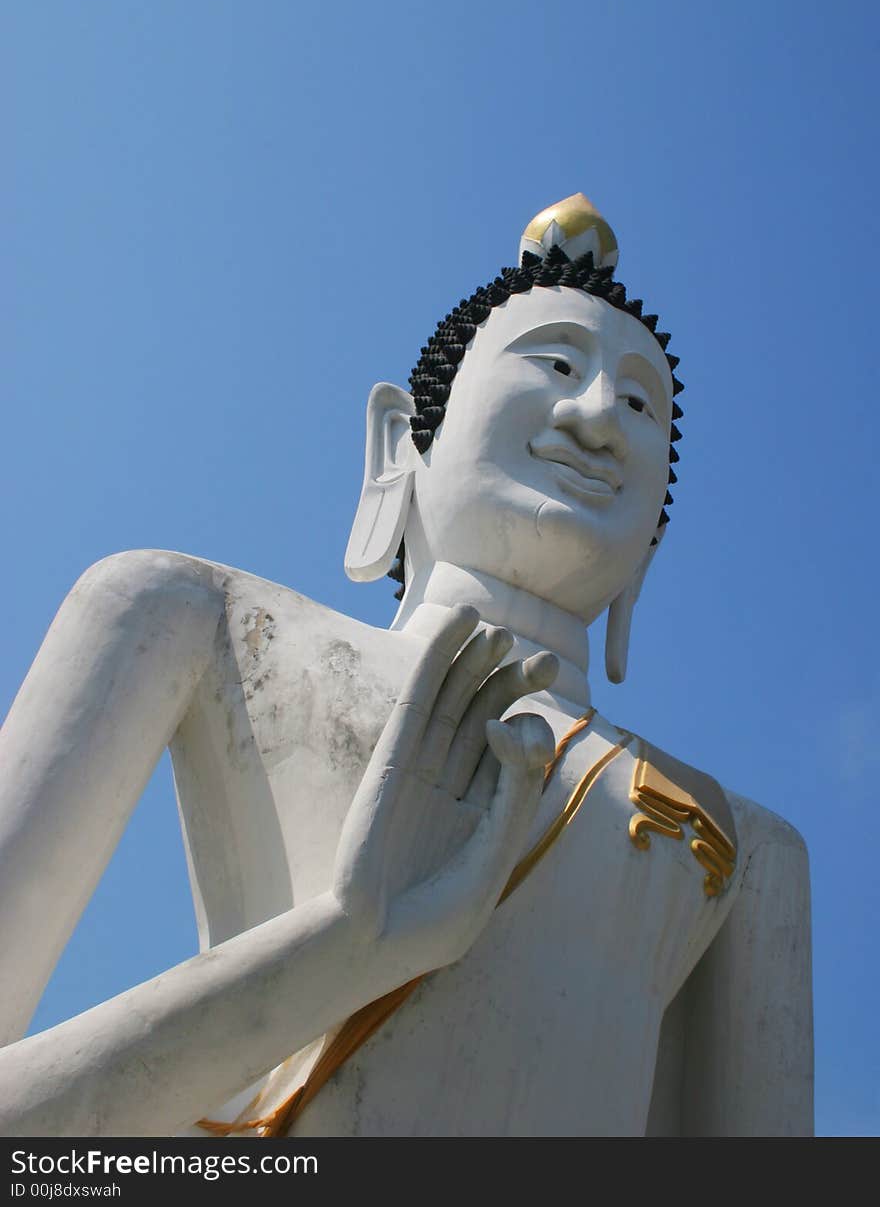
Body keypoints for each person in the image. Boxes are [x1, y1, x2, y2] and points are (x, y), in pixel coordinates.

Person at [0, 194, 812, 1137]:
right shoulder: (187, 615)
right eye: (554, 362)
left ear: (650, 551)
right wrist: (345, 944)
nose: (598, 416)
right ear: (400, 443)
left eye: (639, 403)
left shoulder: (743, 845)